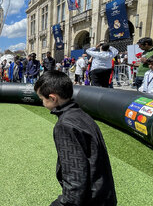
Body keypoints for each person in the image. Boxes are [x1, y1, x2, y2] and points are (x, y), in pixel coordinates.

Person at [34, 71, 117, 206]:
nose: (42, 103)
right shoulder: (81, 114)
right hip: (105, 196)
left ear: (53, 98)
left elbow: (75, 179)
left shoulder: (65, 125)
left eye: (42, 99)